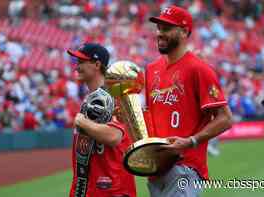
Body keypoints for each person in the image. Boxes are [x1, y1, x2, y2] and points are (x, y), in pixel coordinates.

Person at [145, 5, 233, 197]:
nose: (160, 33)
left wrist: (191, 141)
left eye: (167, 28)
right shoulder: (151, 69)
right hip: (156, 168)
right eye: (159, 28)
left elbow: (226, 118)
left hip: (184, 166)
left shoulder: (198, 69)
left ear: (184, 31)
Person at [67, 43, 136, 197]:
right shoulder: (94, 97)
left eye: (81, 62)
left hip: (111, 189)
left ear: (97, 65)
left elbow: (113, 136)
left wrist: (82, 122)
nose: (76, 67)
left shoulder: (114, 96)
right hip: (91, 187)